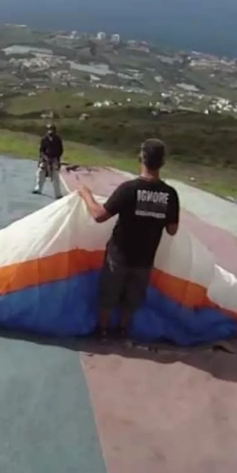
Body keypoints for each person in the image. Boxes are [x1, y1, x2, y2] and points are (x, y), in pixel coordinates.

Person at [77, 138, 180, 339]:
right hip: (145, 258)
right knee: (133, 298)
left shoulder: (129, 189)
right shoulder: (170, 194)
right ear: (162, 163)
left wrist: (86, 195)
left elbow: (99, 216)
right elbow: (172, 230)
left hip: (119, 255)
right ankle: (123, 330)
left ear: (141, 158)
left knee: (108, 295)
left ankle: (103, 331)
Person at [33, 123, 64, 198]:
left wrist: (57, 159)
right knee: (40, 172)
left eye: (52, 130)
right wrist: (43, 158)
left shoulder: (57, 139)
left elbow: (60, 150)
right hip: (45, 158)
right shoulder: (44, 139)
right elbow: (41, 150)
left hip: (54, 159)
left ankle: (58, 194)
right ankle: (38, 188)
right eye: (49, 130)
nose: (50, 131)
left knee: (55, 176)